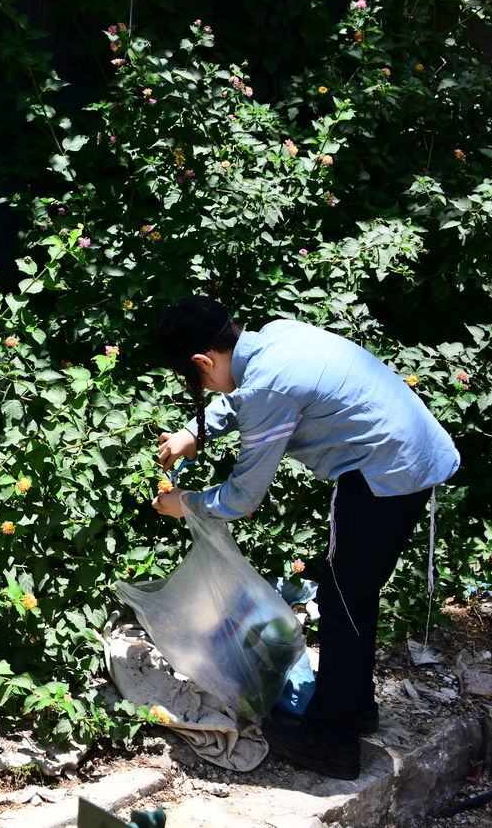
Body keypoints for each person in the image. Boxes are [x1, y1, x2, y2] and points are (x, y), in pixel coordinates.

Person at [151, 296, 459, 780]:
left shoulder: (268, 385)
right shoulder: (276, 336)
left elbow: (242, 497)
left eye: (195, 379)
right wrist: (196, 429)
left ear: (202, 362)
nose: (204, 387)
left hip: (382, 475)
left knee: (344, 603)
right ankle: (353, 709)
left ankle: (333, 741)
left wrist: (184, 503)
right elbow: (244, 397)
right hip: (410, 456)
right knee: (351, 596)